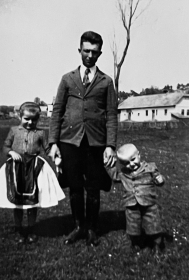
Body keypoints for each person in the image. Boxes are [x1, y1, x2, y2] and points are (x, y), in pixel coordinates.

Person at [48, 31, 118, 246]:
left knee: (93, 187)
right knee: (75, 186)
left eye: (94, 52)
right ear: (79, 50)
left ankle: (92, 228)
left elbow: (112, 115)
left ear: (100, 54)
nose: (89, 55)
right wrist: (53, 143)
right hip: (70, 141)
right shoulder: (67, 79)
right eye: (86, 51)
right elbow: (57, 110)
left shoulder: (106, 82)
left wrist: (110, 146)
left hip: (96, 142)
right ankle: (78, 226)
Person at [0, 102, 65, 244]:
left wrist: (55, 158)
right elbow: (5, 146)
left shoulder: (41, 133)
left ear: (38, 119)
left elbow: (47, 149)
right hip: (16, 167)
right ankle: (19, 230)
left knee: (33, 200)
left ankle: (31, 229)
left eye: (34, 120)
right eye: (26, 119)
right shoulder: (13, 130)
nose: (30, 123)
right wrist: (11, 152)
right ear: (20, 116)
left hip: (34, 168)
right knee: (17, 201)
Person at [105, 143, 165, 253]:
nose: (131, 164)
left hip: (149, 203)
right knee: (133, 226)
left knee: (153, 223)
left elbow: (158, 178)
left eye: (133, 159)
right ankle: (136, 243)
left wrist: (160, 179)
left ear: (139, 155)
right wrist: (108, 166)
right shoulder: (123, 173)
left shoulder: (150, 168)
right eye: (126, 163)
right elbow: (114, 176)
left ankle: (157, 244)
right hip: (131, 203)